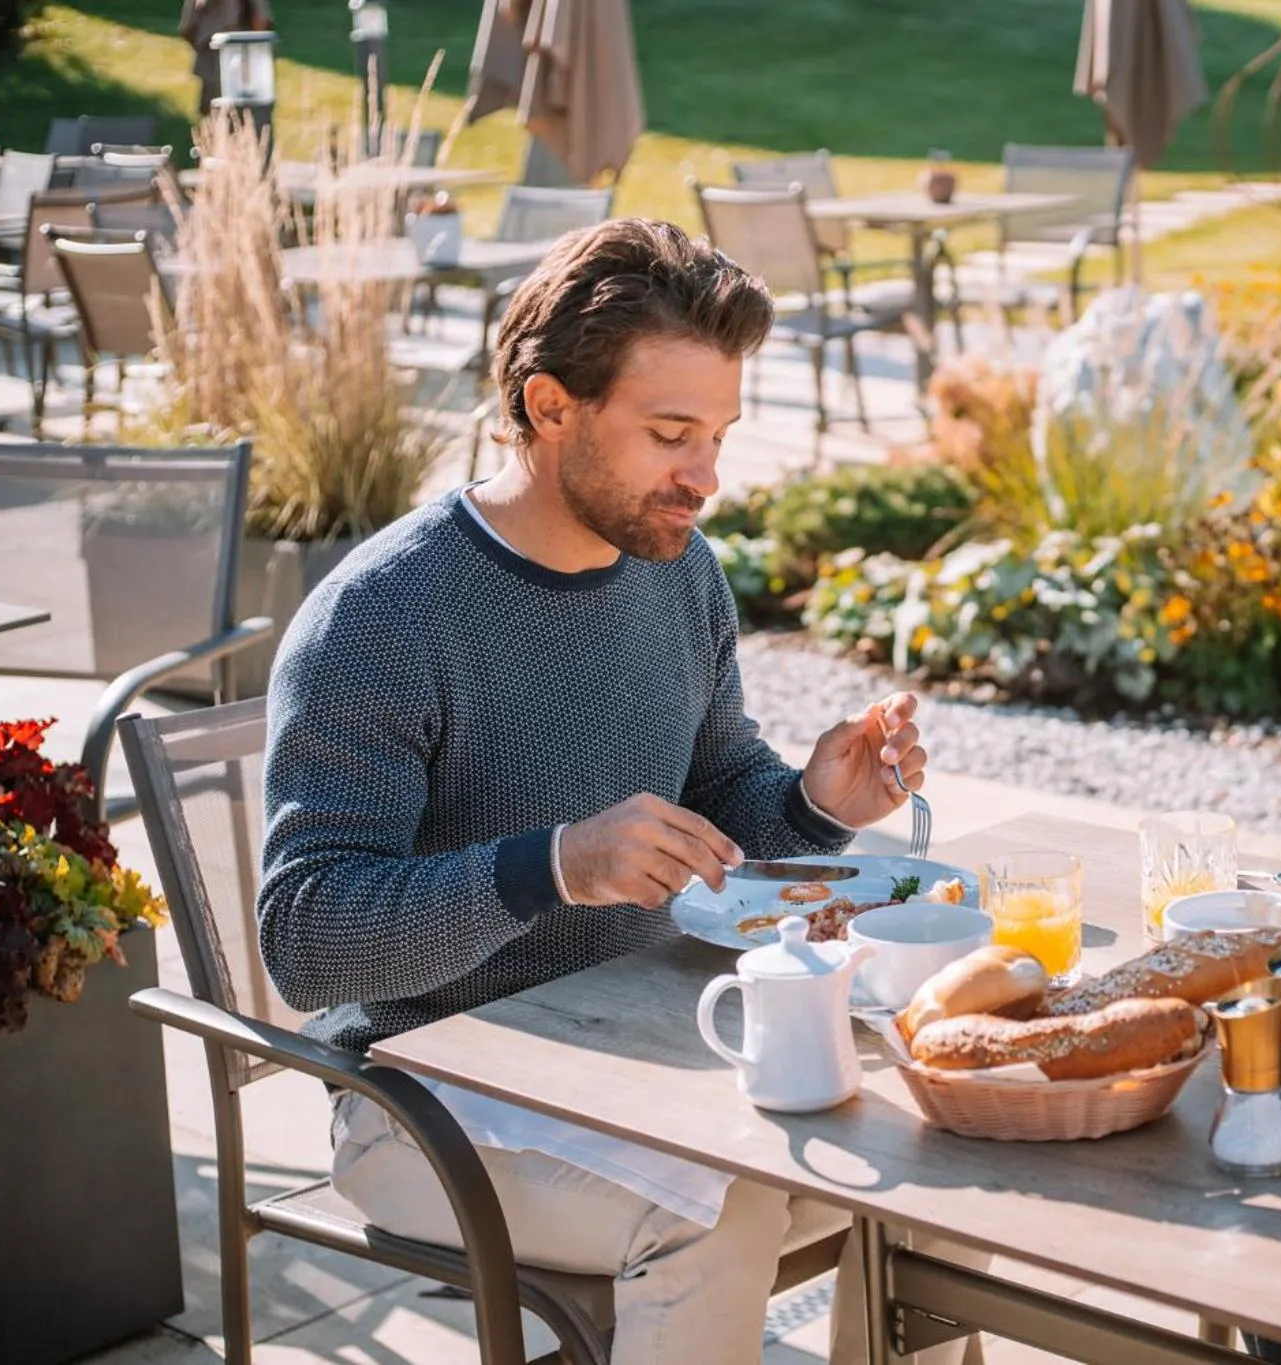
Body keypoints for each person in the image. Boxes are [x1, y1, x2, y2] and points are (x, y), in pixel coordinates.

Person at [259, 218, 981, 1364]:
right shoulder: (383, 618)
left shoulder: (677, 571)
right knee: (718, 1208)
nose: (706, 475)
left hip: (637, 1050)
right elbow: (305, 943)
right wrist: (548, 865)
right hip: (424, 1096)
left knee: (935, 1142)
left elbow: (717, 789)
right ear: (551, 408)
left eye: (719, 433)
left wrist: (811, 802)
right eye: (670, 433)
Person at [179, 0, 273, 116]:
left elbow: (187, 27)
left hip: (209, 55)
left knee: (212, 116)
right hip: (240, 59)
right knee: (243, 117)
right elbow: (260, 18)